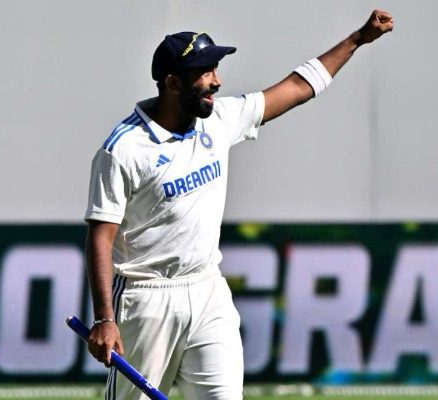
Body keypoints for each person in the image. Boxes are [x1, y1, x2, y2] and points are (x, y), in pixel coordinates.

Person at [84, 9, 393, 400]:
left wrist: (358, 39)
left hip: (207, 288)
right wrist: (105, 319)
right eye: (205, 72)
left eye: (215, 68)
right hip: (145, 299)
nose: (217, 80)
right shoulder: (124, 149)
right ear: (173, 83)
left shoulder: (219, 119)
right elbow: (100, 236)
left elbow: (297, 87)